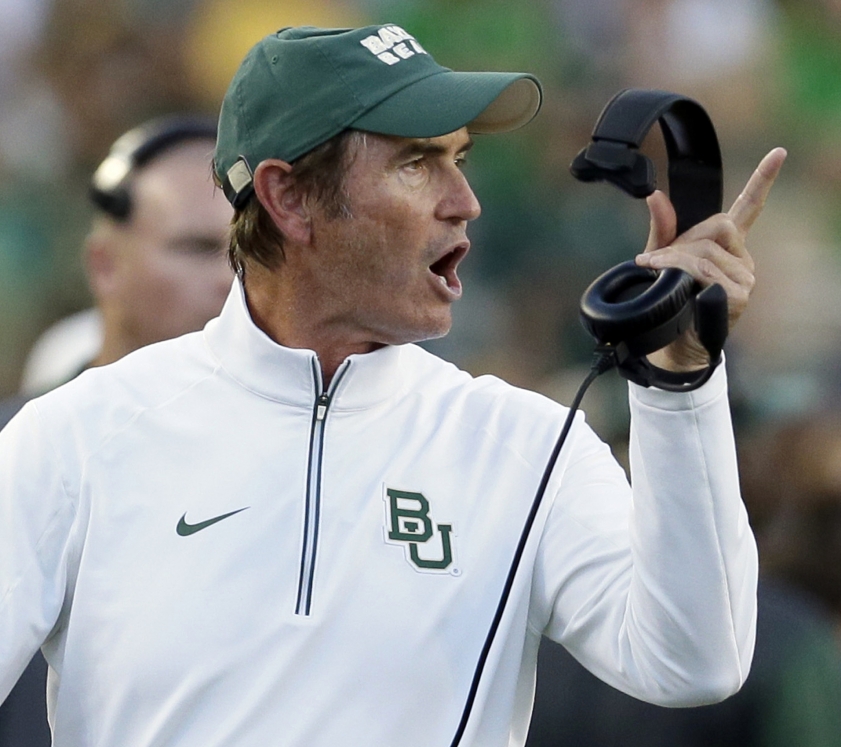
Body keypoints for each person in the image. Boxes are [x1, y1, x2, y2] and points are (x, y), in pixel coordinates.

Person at [0, 24, 785, 746]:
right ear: (288, 197)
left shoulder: (526, 443)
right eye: (417, 163)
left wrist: (678, 384)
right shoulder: (76, 433)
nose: (465, 202)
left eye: (461, 159)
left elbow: (694, 661)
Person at [0, 115, 234, 747]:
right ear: (104, 265)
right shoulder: (13, 450)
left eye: (252, 252)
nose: (232, 281)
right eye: (197, 248)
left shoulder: (312, 465)